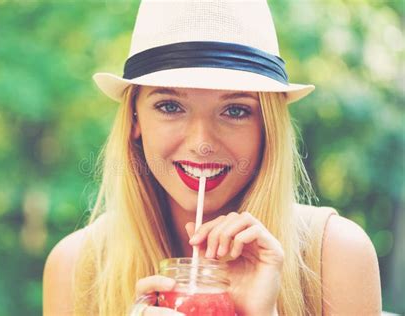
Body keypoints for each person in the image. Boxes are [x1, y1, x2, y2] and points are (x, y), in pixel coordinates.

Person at [43, 1, 382, 315]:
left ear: (267, 127)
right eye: (170, 106)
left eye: (235, 110)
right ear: (135, 119)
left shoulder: (336, 256)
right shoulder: (75, 266)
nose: (202, 143)